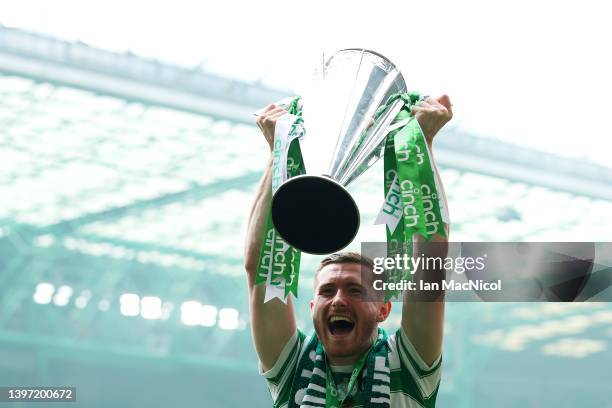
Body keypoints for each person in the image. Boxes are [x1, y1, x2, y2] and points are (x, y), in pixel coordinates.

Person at [245, 96, 453, 407]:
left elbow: (430, 265)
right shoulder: (292, 365)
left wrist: (421, 146)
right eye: (328, 291)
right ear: (313, 305)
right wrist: (279, 151)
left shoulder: (408, 364)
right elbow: (262, 269)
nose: (339, 299)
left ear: (383, 309)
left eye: (355, 290)